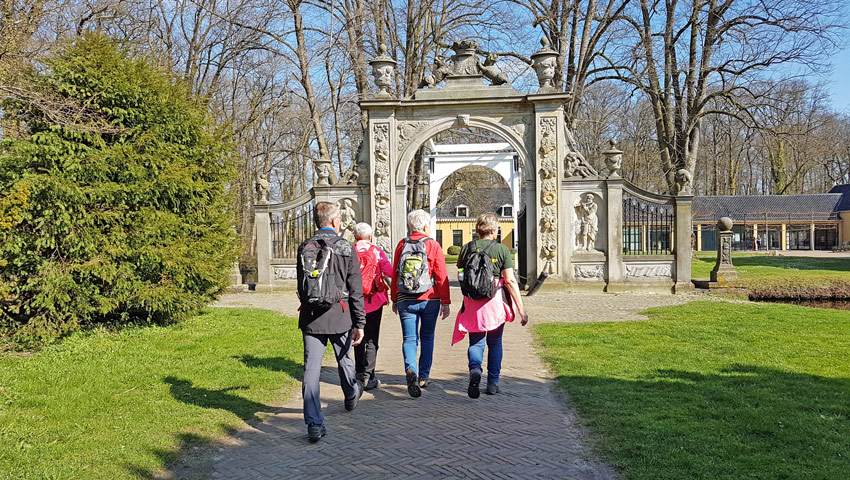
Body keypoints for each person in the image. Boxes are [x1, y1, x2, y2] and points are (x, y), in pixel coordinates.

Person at [296, 201, 366, 443]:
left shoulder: (305, 246)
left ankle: (314, 424)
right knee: (344, 359)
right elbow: (355, 288)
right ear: (336, 221)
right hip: (339, 314)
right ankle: (350, 394)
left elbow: (300, 286)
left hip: (311, 316)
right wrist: (360, 323)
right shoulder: (345, 247)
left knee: (311, 371)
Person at [454, 213, 529, 398]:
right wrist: (521, 309)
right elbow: (510, 281)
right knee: (495, 343)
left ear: (478, 230)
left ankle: (475, 370)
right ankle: (493, 383)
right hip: (493, 299)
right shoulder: (502, 250)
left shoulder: (466, 248)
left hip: (472, 301)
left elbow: (461, 275)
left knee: (476, 342)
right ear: (494, 231)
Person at [391, 209, 451, 398]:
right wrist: (446, 301)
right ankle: (423, 376)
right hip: (430, 298)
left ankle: (411, 369)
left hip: (405, 299)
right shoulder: (433, 245)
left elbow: (395, 273)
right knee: (427, 337)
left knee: (409, 339)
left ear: (410, 226)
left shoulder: (402, 244)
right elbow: (441, 275)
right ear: (426, 226)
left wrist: (394, 298)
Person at [353, 222, 393, 390]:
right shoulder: (377, 251)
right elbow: (390, 272)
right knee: (371, 337)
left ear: (355, 236)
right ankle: (370, 376)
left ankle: (359, 374)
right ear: (370, 237)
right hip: (374, 300)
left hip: (354, 301)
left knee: (357, 336)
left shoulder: (349, 251)